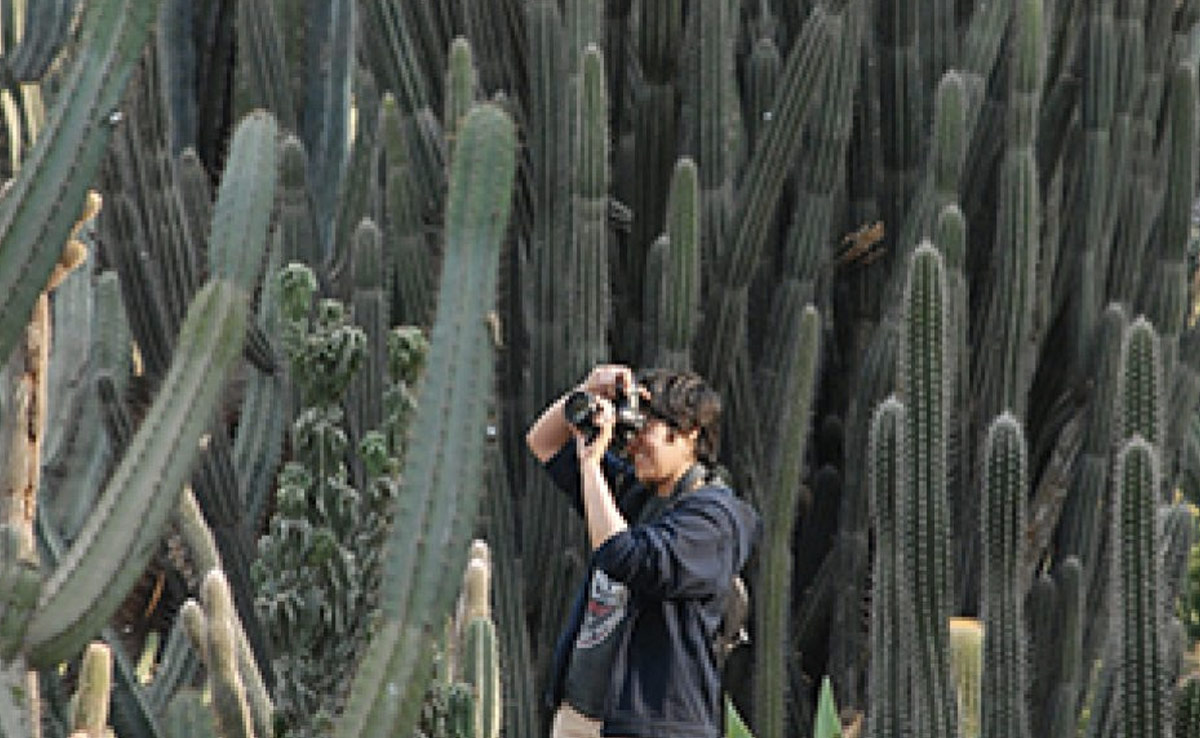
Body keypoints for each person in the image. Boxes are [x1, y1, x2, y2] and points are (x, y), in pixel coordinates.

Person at [526, 364, 761, 738]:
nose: (632, 442)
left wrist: (591, 464)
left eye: (645, 428)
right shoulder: (636, 494)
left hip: (653, 724)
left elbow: (626, 556)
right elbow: (544, 442)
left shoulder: (717, 520)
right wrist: (588, 390)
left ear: (689, 433)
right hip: (580, 715)